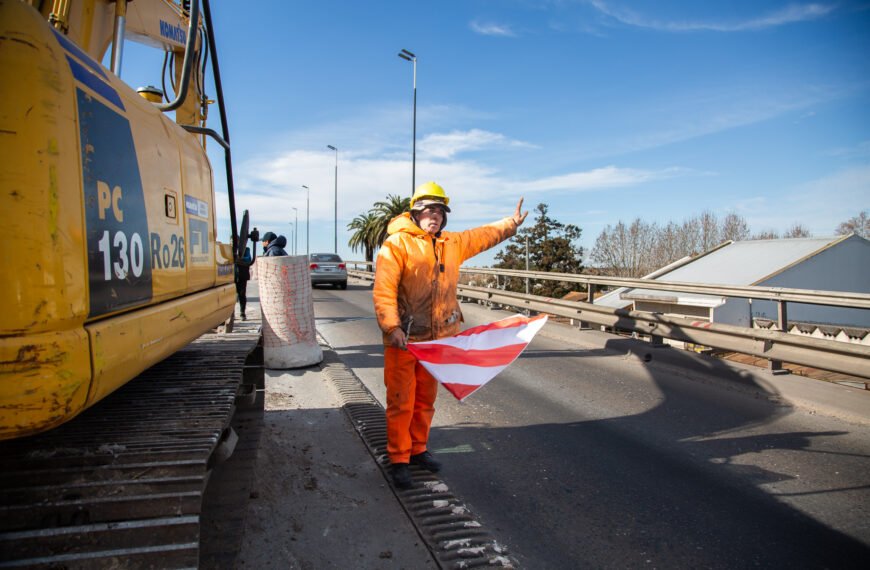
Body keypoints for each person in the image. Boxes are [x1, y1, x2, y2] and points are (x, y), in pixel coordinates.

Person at [373, 181, 528, 489]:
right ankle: (400, 458)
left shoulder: (451, 243)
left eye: (440, 212)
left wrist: (510, 224)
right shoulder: (397, 245)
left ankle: (418, 449)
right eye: (430, 211)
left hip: (439, 339)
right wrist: (391, 327)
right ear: (416, 213)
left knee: (425, 400)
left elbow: (482, 236)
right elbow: (384, 290)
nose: (436, 217)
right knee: (402, 400)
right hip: (405, 339)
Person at [235, 246, 252, 320]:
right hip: (232, 276)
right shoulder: (230, 249)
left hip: (242, 275)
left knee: (242, 294)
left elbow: (248, 259)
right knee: (232, 297)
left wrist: (239, 259)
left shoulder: (245, 249)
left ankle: (242, 312)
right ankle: (231, 315)